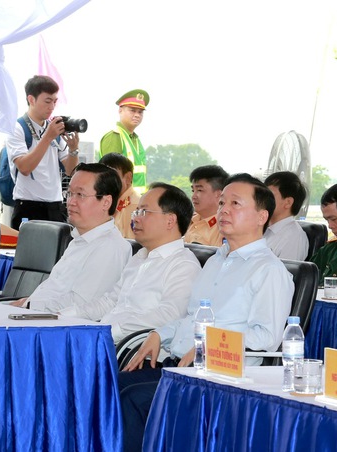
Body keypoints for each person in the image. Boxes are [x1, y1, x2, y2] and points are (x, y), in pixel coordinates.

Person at [117, 173, 294, 452]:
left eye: (235, 204)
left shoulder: (269, 270)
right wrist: (160, 334)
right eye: (222, 203)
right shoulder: (215, 261)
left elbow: (266, 338)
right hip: (180, 367)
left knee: (133, 399)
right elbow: (191, 318)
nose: (224, 210)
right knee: (109, 385)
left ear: (261, 216)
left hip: (221, 378)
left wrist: (210, 344)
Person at [12, 163, 131, 313]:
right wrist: (26, 303)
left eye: (80, 195)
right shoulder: (80, 240)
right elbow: (54, 291)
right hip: (34, 314)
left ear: (106, 202)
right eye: (69, 193)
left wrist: (30, 305)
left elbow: (80, 305)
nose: (70, 202)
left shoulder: (110, 247)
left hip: (52, 323)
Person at [93, 183, 200, 341]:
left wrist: (109, 332)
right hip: (105, 338)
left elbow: (168, 315)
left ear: (170, 221)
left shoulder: (183, 265)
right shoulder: (140, 257)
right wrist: (66, 316)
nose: (135, 218)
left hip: (133, 349)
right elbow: (110, 302)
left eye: (144, 212)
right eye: (136, 211)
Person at [5, 75, 80, 230]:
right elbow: (24, 168)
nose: (52, 107)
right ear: (31, 99)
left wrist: (73, 149)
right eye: (47, 101)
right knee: (29, 247)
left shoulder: (53, 128)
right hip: (28, 205)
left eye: (55, 101)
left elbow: (70, 170)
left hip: (56, 205)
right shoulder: (17, 128)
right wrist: (48, 137)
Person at [99, 89, 149, 192]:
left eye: (140, 112)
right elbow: (111, 178)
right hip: (121, 200)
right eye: (132, 110)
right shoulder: (114, 136)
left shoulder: (135, 139)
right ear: (120, 110)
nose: (137, 115)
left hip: (136, 199)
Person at [263, 171, 308, 260]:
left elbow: (286, 269)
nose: (262, 200)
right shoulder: (263, 229)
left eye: (269, 195)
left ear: (288, 202)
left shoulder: (294, 237)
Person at [184, 165, 229, 246]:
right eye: (193, 190)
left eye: (199, 190)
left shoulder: (225, 227)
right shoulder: (187, 221)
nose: (193, 196)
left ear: (219, 194)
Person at [98, 153, 139, 238]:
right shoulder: (107, 202)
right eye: (102, 177)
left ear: (128, 178)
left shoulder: (134, 207)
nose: (106, 181)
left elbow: (132, 243)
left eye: (112, 176)